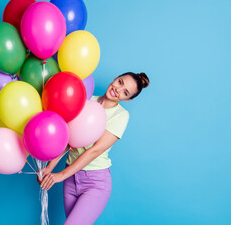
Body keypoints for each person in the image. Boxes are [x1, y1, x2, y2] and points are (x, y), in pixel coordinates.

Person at [37, 72, 150, 224]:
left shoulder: (121, 116)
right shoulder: (86, 99)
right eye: (120, 82)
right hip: (71, 179)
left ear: (127, 99)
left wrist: (60, 175)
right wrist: (50, 168)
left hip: (95, 183)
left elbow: (95, 151)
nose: (118, 89)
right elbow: (68, 139)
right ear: (116, 78)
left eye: (125, 92)